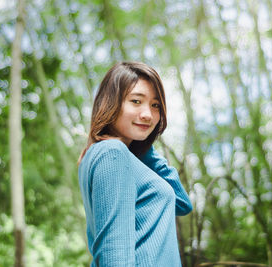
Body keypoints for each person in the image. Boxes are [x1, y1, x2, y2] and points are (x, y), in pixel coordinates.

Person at [78, 61, 193, 266]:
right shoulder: (111, 154)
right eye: (136, 101)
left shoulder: (118, 155)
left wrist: (144, 149)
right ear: (110, 103)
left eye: (155, 105)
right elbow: (114, 254)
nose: (148, 114)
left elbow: (182, 203)